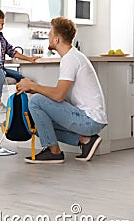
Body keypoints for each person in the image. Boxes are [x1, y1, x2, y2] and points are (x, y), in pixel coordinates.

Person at [17, 17, 107, 164]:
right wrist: (38, 90)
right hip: (89, 119)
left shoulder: (70, 59)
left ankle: (54, 152)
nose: (48, 37)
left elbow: (58, 96)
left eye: (50, 34)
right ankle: (86, 140)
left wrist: (33, 86)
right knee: (37, 122)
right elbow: (62, 97)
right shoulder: (72, 57)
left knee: (36, 102)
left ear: (57, 39)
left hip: (90, 120)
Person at [0, 8, 39, 112]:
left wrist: (29, 58)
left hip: (0, 68)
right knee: (1, 74)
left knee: (19, 76)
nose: (0, 27)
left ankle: (23, 102)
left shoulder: (1, 38)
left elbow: (12, 51)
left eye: (2, 24)